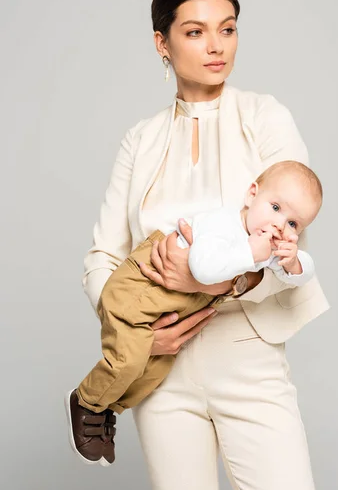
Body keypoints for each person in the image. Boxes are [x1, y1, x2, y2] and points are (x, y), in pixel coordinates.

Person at [81, 0, 330, 490]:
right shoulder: (140, 139)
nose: (216, 46)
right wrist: (137, 334)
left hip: (248, 355)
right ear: (161, 43)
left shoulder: (265, 117)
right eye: (195, 32)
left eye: (228, 28)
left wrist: (207, 278)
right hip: (163, 367)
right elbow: (102, 255)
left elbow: (290, 242)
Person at [66, 159, 322, 467]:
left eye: (294, 224)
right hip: (143, 286)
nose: (280, 226)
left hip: (169, 304)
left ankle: (107, 407)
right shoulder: (225, 225)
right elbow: (202, 267)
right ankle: (85, 401)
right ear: (252, 195)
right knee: (129, 358)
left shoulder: (265, 244)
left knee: (155, 372)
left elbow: (302, 273)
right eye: (276, 208)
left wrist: (293, 262)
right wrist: (250, 254)